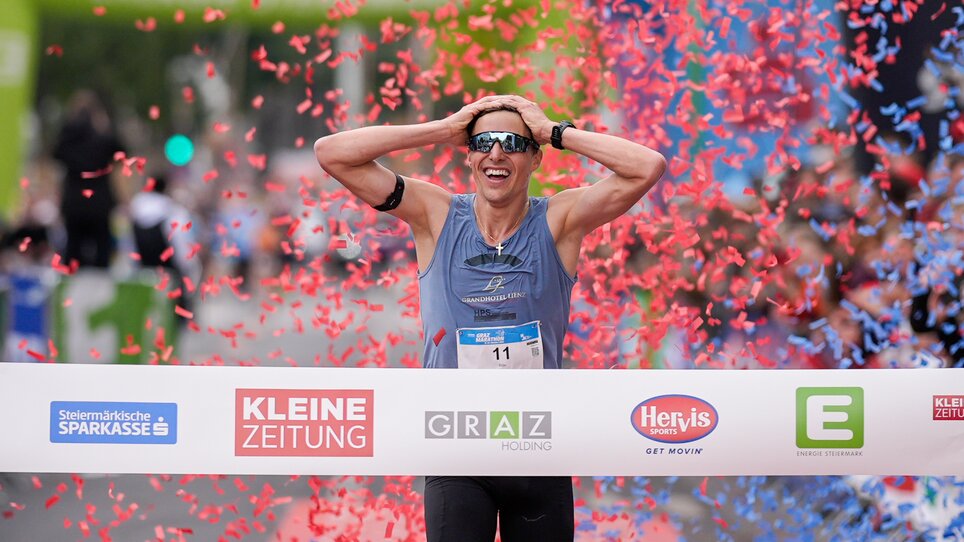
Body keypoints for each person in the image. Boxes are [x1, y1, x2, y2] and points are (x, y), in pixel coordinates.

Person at [314, 94, 666, 541]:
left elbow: (647, 166)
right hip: (457, 449)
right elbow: (331, 154)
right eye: (483, 142)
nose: (496, 153)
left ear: (536, 157)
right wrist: (443, 129)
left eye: (512, 143)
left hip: (538, 445)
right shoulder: (436, 214)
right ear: (469, 155)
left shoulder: (560, 220)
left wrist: (557, 131)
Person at [53, 90, 125, 269]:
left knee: (73, 249)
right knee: (102, 250)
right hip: (99, 201)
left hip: (74, 202)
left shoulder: (67, 135)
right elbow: (120, 152)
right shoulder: (102, 137)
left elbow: (56, 154)